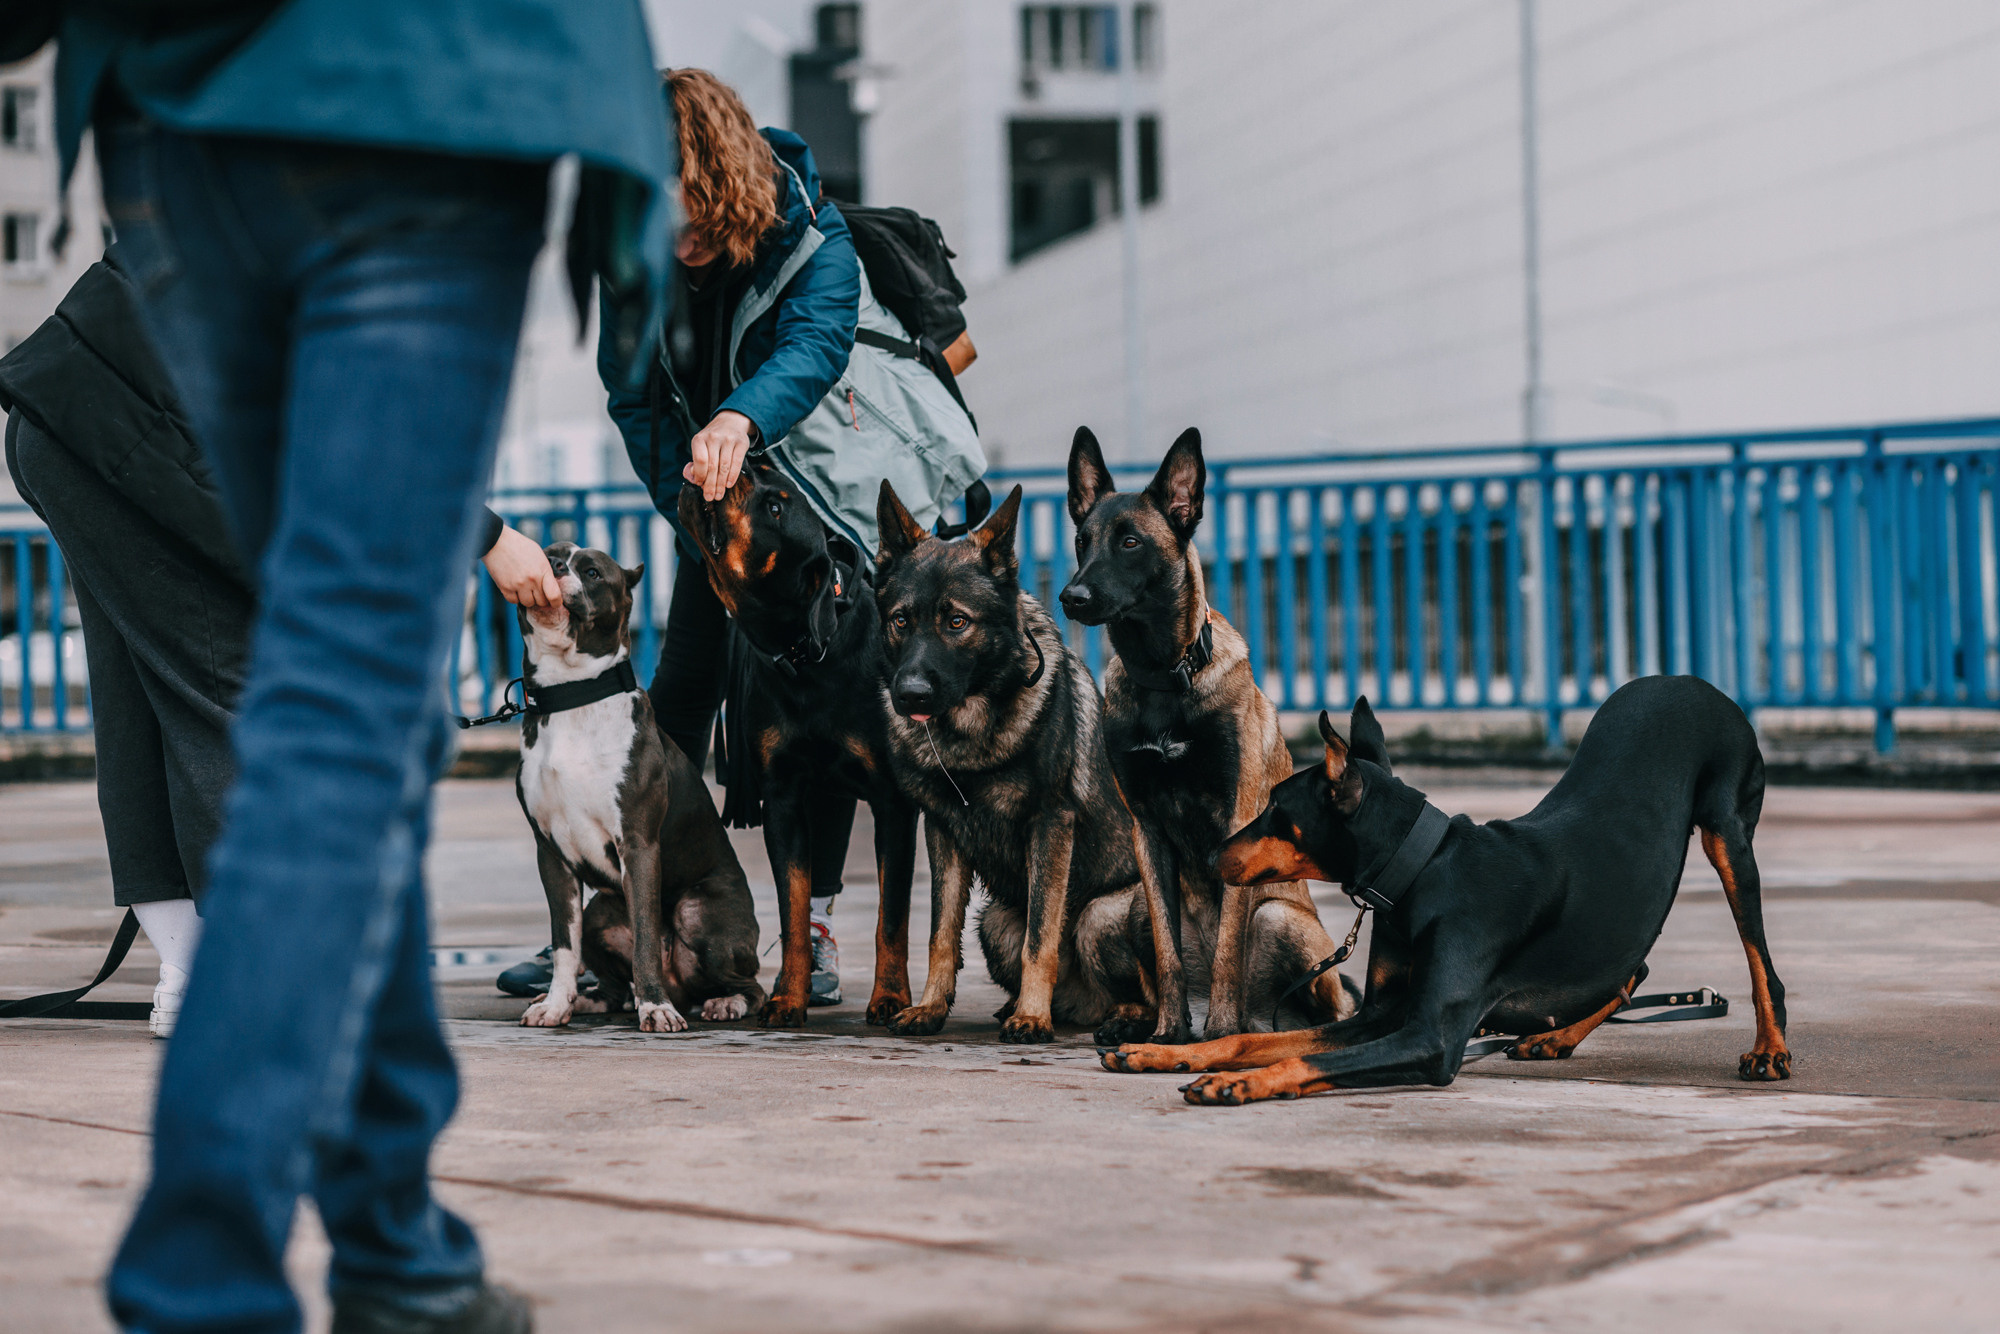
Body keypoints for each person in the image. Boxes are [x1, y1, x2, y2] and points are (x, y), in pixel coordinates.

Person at [2, 3, 675, 1332]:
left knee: (336, 707)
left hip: (186, 122)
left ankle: (398, 1244)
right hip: (416, 94)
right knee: (339, 715)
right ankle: (201, 1280)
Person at [0, 256, 561, 1040]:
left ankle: (194, 972)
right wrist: (491, 537)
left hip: (74, 417)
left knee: (146, 702)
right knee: (228, 690)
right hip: (131, 434)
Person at [502, 69, 863, 1008]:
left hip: (815, 513)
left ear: (730, 182)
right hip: (712, 506)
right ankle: (613, 924)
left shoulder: (810, 237)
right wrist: (693, 520)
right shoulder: (638, 259)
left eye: (695, 215)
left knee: (811, 714)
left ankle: (810, 928)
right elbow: (634, 400)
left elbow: (819, 343)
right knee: (679, 693)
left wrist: (742, 417)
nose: (681, 240)